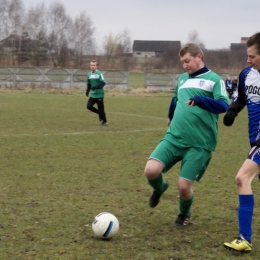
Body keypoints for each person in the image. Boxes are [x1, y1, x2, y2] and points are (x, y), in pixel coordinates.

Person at [144, 43, 229, 227]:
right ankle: (159, 189)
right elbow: (175, 99)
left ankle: (184, 214)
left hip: (199, 143)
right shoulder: (182, 79)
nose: (185, 66)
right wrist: (170, 116)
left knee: (183, 187)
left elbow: (223, 105)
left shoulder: (214, 80)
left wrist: (200, 100)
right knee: (150, 170)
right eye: (182, 62)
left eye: (187, 61)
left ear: (199, 56)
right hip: (174, 138)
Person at [223, 32, 260, 252]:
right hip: (254, 138)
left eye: (252, 56)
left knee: (241, 177)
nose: (248, 60)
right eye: (248, 55)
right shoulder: (247, 74)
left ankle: (244, 239)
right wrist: (232, 111)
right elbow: (242, 98)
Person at [86, 60, 107, 126]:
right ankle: (100, 113)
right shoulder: (89, 74)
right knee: (89, 106)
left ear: (97, 66)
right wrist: (87, 90)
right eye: (91, 65)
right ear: (90, 66)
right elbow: (89, 84)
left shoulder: (99, 74)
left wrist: (96, 87)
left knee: (101, 109)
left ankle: (105, 122)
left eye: (94, 65)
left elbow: (103, 83)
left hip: (100, 94)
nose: (92, 66)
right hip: (93, 94)